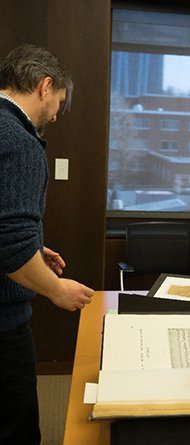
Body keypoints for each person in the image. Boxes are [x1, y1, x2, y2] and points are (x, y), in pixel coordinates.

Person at [0, 44, 94, 445]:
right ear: (44, 85)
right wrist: (55, 288)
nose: (56, 114)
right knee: (15, 428)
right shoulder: (19, 141)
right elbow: (8, 242)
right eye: (59, 103)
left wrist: (33, 247)